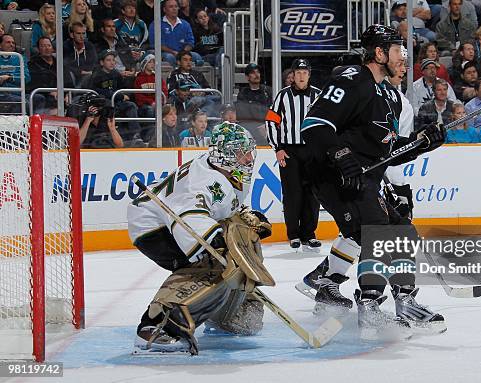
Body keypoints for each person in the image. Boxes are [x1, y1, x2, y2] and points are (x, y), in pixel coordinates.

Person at [298, 25, 445, 334]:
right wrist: (340, 156)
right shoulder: (352, 80)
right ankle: (370, 304)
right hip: (334, 177)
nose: (404, 59)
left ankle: (404, 299)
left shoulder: (384, 96)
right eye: (397, 52)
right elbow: (313, 125)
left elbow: (388, 151)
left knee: (402, 227)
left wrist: (422, 142)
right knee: (376, 230)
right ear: (379, 53)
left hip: (363, 179)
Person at [128, 122, 269, 354]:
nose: (248, 159)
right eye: (241, 153)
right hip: (153, 226)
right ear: (226, 155)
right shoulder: (207, 180)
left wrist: (244, 217)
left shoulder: (218, 170)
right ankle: (156, 327)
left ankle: (228, 313)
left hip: (169, 219)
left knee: (242, 239)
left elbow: (217, 207)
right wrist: (214, 241)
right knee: (213, 263)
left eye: (247, 152)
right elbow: (188, 213)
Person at [265, 58, 322, 252]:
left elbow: (327, 123)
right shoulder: (283, 96)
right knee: (292, 193)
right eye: (298, 72)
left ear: (309, 74)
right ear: (293, 75)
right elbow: (271, 121)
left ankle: (310, 234)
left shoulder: (318, 96)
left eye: (304, 72)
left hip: (312, 151)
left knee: (312, 194)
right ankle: (294, 234)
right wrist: (277, 148)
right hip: (289, 151)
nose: (301, 76)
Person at [90, 49, 141, 142]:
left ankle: (135, 134)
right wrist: (119, 96)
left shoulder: (116, 74)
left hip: (116, 102)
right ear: (102, 62)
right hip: (103, 104)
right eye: (108, 60)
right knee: (108, 104)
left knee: (131, 105)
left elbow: (122, 88)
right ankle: (104, 134)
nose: (112, 62)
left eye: (113, 60)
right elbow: (95, 90)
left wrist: (123, 95)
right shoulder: (97, 75)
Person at [28, 36, 75, 115]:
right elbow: (33, 84)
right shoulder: (32, 64)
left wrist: (67, 95)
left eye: (48, 45)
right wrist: (50, 91)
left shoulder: (60, 63)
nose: (46, 48)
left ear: (52, 48)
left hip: (62, 95)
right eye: (43, 46)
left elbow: (69, 83)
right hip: (44, 96)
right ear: (38, 49)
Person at [149, 0, 201, 66]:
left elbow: (190, 42)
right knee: (170, 57)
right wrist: (173, 52)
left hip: (182, 53)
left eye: (176, 6)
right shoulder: (156, 24)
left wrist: (183, 53)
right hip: (164, 53)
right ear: (164, 9)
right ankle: (174, 75)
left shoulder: (185, 24)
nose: (174, 9)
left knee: (197, 57)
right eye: (171, 7)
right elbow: (156, 44)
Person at [0, 34, 30, 114]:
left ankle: (34, 124)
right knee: (22, 102)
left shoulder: (20, 58)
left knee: (38, 98)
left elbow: (26, 78)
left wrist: (9, 77)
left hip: (18, 93)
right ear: (0, 45)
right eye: (8, 42)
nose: (11, 45)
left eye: (13, 43)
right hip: (3, 94)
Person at [63, 21, 98, 87]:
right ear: (72, 35)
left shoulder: (90, 46)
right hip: (71, 79)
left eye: (83, 33)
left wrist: (87, 72)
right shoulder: (65, 47)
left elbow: (95, 64)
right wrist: (80, 72)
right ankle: (74, 93)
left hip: (87, 77)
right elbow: (65, 65)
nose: (82, 36)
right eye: (78, 33)